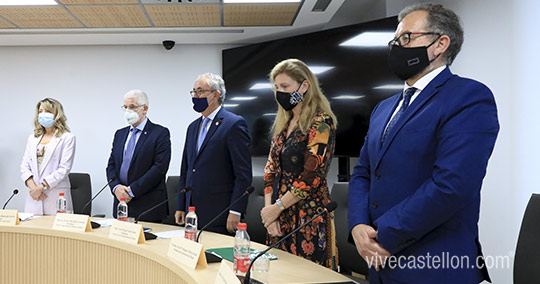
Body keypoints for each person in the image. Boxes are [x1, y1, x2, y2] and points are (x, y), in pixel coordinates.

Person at [348, 3, 499, 284]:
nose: (397, 47)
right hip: (378, 265)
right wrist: (358, 225)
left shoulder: (469, 97)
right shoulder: (383, 108)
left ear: (440, 43)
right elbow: (363, 172)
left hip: (433, 265)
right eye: (395, 41)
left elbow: (452, 185)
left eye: (407, 38)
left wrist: (382, 234)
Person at [260, 58, 338, 269]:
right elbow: (270, 170)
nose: (280, 92)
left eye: (285, 86)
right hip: (278, 217)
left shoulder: (321, 122)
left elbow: (311, 177)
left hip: (308, 219)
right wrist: (269, 214)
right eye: (277, 87)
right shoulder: (283, 124)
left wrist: (276, 208)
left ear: (304, 86)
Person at [175, 73, 252, 235]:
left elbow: (243, 174)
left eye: (200, 91)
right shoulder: (192, 127)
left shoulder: (234, 124)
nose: (195, 96)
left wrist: (236, 211)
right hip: (192, 211)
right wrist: (180, 205)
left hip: (219, 212)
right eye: (194, 92)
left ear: (215, 94)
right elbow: (186, 169)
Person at [106, 90, 171, 222]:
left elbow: (159, 168)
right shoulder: (120, 134)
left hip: (148, 205)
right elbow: (111, 165)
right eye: (125, 107)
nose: (127, 111)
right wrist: (116, 187)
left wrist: (132, 191)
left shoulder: (159, 133)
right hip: (121, 203)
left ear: (144, 109)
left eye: (132, 107)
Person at [20, 98, 76, 215]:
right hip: (34, 196)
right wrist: (34, 189)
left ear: (57, 114)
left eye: (48, 111)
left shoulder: (67, 138)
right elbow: (24, 166)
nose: (43, 114)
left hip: (56, 195)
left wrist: (41, 187)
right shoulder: (33, 138)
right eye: (40, 111)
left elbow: (64, 169)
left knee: (57, 230)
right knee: (32, 230)